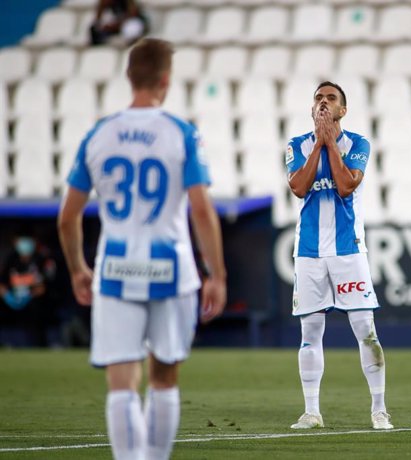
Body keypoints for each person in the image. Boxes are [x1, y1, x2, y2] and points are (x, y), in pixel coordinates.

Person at [58, 38, 227, 460]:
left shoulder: (99, 135)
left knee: (121, 383)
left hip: (114, 269)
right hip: (171, 269)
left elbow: (67, 216)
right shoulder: (181, 133)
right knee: (164, 378)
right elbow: (202, 211)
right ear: (165, 80)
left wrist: (78, 267)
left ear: (129, 76)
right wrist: (217, 275)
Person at [285, 81, 392, 430]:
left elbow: (346, 185)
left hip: (349, 250)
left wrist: (330, 142)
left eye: (331, 98)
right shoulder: (296, 145)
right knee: (310, 331)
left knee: (365, 329)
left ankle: (379, 409)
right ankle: (312, 411)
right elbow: (299, 188)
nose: (323, 102)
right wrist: (319, 142)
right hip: (309, 252)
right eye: (318, 98)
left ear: (343, 110)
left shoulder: (358, 144)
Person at [0, 233, 57, 346]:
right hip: (12, 301)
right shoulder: (11, 260)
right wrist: (9, 297)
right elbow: (2, 283)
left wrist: (28, 295)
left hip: (34, 301)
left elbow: (45, 286)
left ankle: (40, 345)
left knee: (38, 311)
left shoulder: (40, 259)